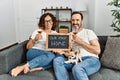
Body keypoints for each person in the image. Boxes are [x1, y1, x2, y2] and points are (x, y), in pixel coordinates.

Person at [53, 11, 101, 80]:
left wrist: (80, 41)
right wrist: (62, 52)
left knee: (77, 68)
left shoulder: (88, 32)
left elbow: (97, 50)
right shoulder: (69, 35)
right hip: (74, 60)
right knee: (57, 60)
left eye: (77, 20)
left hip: (91, 59)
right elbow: (68, 54)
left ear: (82, 21)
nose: (75, 22)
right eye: (73, 20)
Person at [10, 13, 58, 77]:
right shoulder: (38, 31)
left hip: (45, 56)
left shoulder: (55, 33)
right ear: (42, 23)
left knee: (55, 60)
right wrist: (35, 40)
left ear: (53, 21)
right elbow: (28, 47)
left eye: (50, 20)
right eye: (46, 21)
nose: (48, 23)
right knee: (51, 56)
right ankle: (22, 67)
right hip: (33, 52)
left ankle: (34, 68)